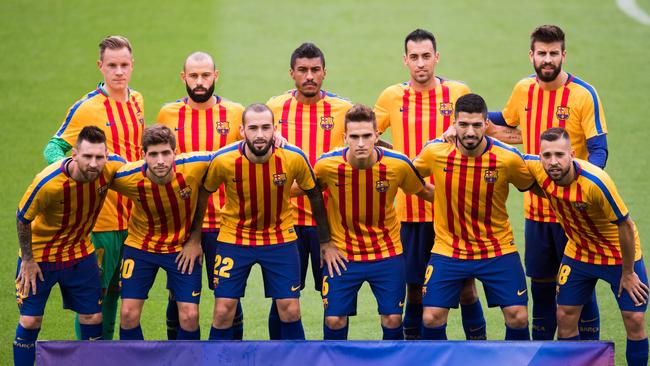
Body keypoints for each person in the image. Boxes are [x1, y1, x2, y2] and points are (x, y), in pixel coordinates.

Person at [486, 24, 608, 340]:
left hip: (574, 215)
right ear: (532, 55)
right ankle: (542, 356)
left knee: (580, 290)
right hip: (537, 212)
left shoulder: (584, 94)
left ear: (563, 54)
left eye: (554, 53)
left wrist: (584, 186)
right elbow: (505, 119)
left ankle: (588, 357)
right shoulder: (523, 90)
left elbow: (599, 147)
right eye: (542, 53)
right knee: (541, 290)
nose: (548, 59)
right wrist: (468, 117)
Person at [373, 28, 485, 340]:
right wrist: (395, 157)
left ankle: (477, 353)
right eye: (414, 57)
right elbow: (367, 134)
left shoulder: (458, 92)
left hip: (453, 212)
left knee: (465, 288)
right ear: (405, 60)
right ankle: (416, 355)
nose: (421, 63)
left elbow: (478, 133)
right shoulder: (391, 97)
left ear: (436, 57)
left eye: (426, 56)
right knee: (414, 289)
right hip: (409, 213)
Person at [43, 35, 144, 340]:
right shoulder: (86, 108)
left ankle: (109, 354)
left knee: (118, 292)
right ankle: (90, 356)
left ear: (132, 65)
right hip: (99, 220)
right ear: (100, 66)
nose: (118, 72)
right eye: (111, 65)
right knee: (93, 299)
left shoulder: (137, 100)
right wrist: (70, 173)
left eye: (124, 65)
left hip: (133, 219)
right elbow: (54, 145)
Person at [203, 103, 329, 340]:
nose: (259, 135)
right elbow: (203, 193)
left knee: (290, 310)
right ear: (241, 130)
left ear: (275, 129)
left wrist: (326, 242)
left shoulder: (293, 157)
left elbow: (314, 193)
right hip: (234, 238)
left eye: (265, 128)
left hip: (280, 239)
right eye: (253, 128)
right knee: (222, 311)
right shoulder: (223, 160)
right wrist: (191, 240)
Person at [413, 93, 534, 341]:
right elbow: (408, 176)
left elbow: (533, 184)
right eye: (464, 124)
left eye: (477, 125)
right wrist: (438, 197)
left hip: (497, 248)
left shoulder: (507, 158)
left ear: (486, 124)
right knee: (431, 317)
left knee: (518, 316)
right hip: (449, 248)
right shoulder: (435, 152)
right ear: (454, 123)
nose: (470, 132)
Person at [525, 127, 647, 365]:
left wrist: (628, 272)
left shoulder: (596, 182)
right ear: (539, 156)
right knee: (565, 316)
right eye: (547, 155)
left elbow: (625, 225)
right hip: (579, 252)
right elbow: (506, 153)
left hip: (616, 255)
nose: (553, 161)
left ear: (572, 153)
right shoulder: (538, 170)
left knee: (634, 319)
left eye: (559, 155)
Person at [315, 104, 434, 340]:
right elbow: (305, 192)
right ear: (344, 138)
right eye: (355, 137)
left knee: (392, 319)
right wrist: (325, 242)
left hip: (387, 254)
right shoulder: (326, 165)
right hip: (342, 256)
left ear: (377, 136)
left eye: (367, 136)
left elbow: (427, 193)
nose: (361, 143)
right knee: (334, 319)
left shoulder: (397, 164)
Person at [14, 127, 124, 365]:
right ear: (74, 154)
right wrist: (29, 260)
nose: (94, 164)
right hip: (41, 257)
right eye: (87, 157)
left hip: (80, 253)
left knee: (93, 317)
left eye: (99, 157)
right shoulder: (48, 182)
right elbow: (22, 218)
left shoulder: (112, 168)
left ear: (107, 155)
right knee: (30, 321)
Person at [266, 42, 353, 338]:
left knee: (335, 302)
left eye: (315, 70)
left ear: (325, 72)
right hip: (285, 223)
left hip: (330, 224)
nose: (309, 76)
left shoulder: (344, 110)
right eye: (302, 70)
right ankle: (284, 357)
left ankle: (332, 357)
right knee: (283, 299)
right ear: (291, 73)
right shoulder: (274, 108)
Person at [157, 51, 246, 340]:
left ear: (215, 76)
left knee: (229, 298)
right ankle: (183, 357)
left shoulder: (235, 113)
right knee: (179, 298)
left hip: (226, 224)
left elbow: (252, 153)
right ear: (183, 77)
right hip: (182, 224)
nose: (199, 81)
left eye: (205, 75)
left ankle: (231, 359)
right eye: (193, 75)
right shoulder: (167, 114)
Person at [112, 125, 209, 341]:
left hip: (181, 249)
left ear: (176, 152)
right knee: (128, 314)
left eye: (166, 153)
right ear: (143, 154)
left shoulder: (195, 165)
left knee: (190, 316)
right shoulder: (126, 177)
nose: (160, 161)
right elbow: (95, 169)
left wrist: (195, 239)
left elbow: (230, 155)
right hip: (140, 247)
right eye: (153, 154)